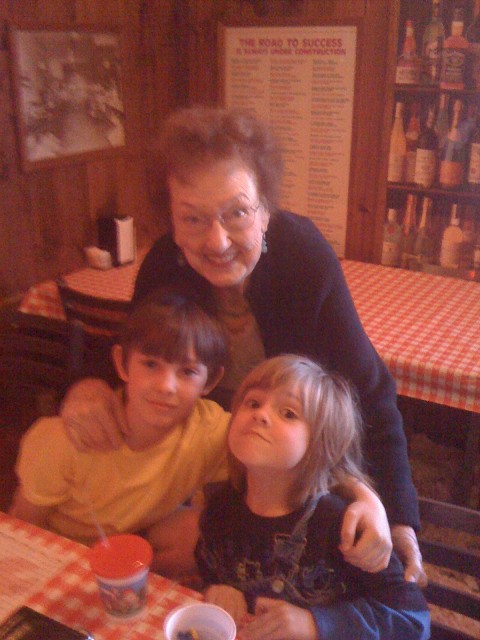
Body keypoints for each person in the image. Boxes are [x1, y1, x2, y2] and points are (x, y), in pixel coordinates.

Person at [60, 105, 426, 584]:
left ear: (266, 210)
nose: (217, 242)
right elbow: (127, 352)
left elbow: (369, 391)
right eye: (192, 219)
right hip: (205, 460)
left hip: (293, 463)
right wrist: (86, 386)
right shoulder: (164, 265)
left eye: (236, 213)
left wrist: (398, 515)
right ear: (172, 223)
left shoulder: (304, 257)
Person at [195, 355, 430, 640]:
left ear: (321, 445)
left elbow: (413, 621)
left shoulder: (343, 525)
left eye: (288, 413)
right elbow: (210, 567)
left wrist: (316, 624)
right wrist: (219, 589)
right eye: (253, 403)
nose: (261, 414)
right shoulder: (219, 509)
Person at [9, 293, 229, 575]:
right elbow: (24, 525)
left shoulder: (209, 430)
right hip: (65, 550)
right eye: (151, 364)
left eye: (187, 372)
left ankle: (131, 580)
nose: (166, 386)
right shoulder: (65, 439)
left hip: (134, 538)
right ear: (122, 364)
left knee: (200, 531)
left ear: (210, 381)